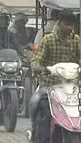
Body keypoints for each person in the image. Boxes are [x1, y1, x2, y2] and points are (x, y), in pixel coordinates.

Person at [26, 10, 81, 141]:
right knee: (36, 102)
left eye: (72, 25)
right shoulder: (48, 40)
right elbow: (36, 59)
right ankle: (36, 132)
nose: (70, 28)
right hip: (50, 84)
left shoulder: (76, 40)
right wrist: (39, 67)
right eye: (66, 24)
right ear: (59, 23)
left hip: (72, 86)